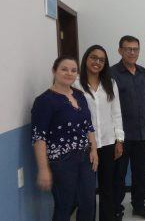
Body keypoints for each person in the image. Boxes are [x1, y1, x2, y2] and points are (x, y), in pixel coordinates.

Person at [32, 55, 98, 221]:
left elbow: (88, 125)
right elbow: (39, 137)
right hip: (61, 161)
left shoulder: (80, 95)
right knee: (65, 205)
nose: (69, 73)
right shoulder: (44, 101)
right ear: (54, 71)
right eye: (64, 69)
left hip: (85, 157)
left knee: (88, 202)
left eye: (73, 70)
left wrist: (94, 149)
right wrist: (43, 169)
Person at [75, 45, 124, 221]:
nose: (97, 62)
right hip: (86, 145)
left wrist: (120, 140)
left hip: (109, 142)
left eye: (101, 60)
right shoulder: (75, 83)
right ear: (86, 59)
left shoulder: (110, 83)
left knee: (107, 188)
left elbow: (116, 113)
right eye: (93, 58)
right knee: (86, 191)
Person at [111, 36, 145, 220]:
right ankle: (115, 209)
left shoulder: (143, 73)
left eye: (135, 49)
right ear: (120, 50)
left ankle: (139, 206)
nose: (132, 52)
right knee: (118, 176)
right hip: (121, 137)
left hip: (142, 135)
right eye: (128, 49)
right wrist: (116, 138)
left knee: (139, 174)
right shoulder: (111, 74)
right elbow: (110, 108)